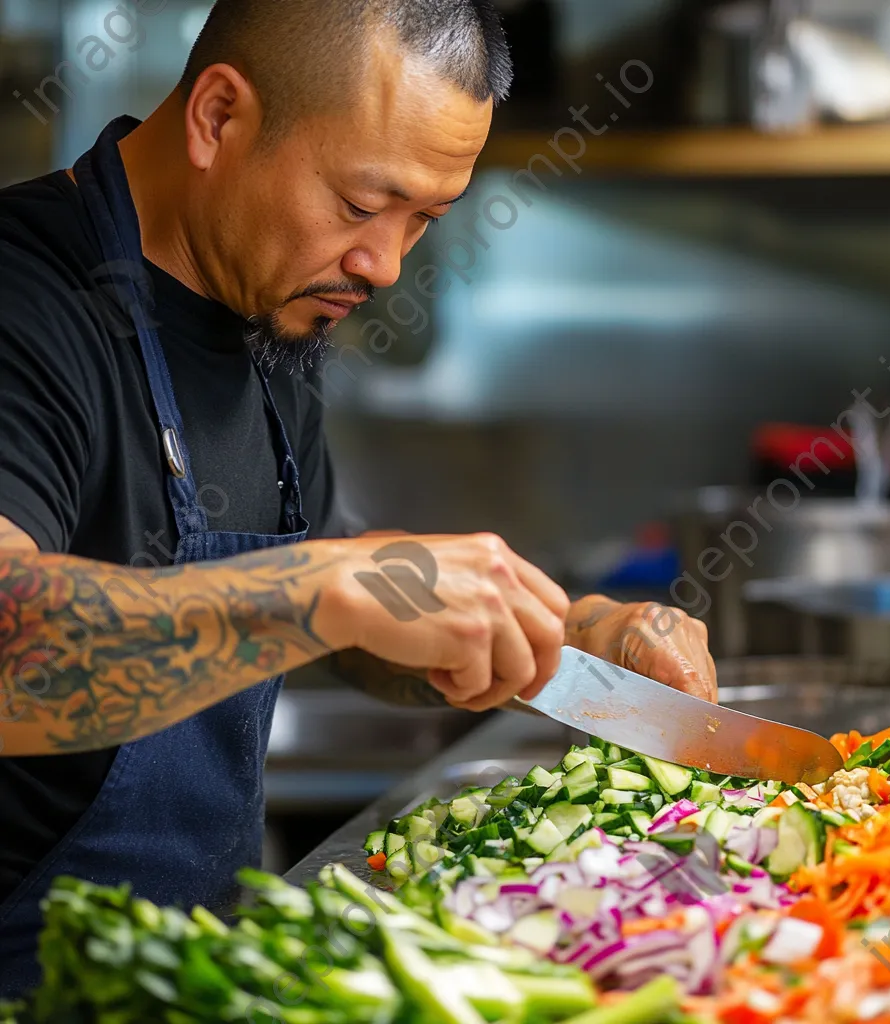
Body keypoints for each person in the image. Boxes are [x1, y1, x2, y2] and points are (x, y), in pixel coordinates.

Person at [0, 0, 716, 993]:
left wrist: (569, 633)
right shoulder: (25, 305)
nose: (384, 265)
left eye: (423, 219)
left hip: (188, 978)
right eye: (358, 205)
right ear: (216, 116)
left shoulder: (266, 298)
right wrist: (325, 582)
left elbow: (329, 605)